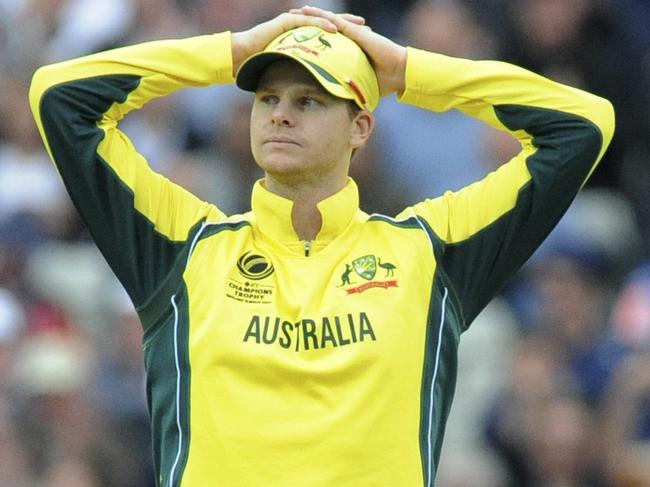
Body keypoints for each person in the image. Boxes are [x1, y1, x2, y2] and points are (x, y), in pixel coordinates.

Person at [28, 5, 614, 486]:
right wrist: (232, 52)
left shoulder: (428, 254)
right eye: (266, 98)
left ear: (361, 125)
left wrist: (407, 70)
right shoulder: (184, 249)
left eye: (308, 100)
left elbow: (582, 124)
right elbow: (60, 97)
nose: (280, 115)